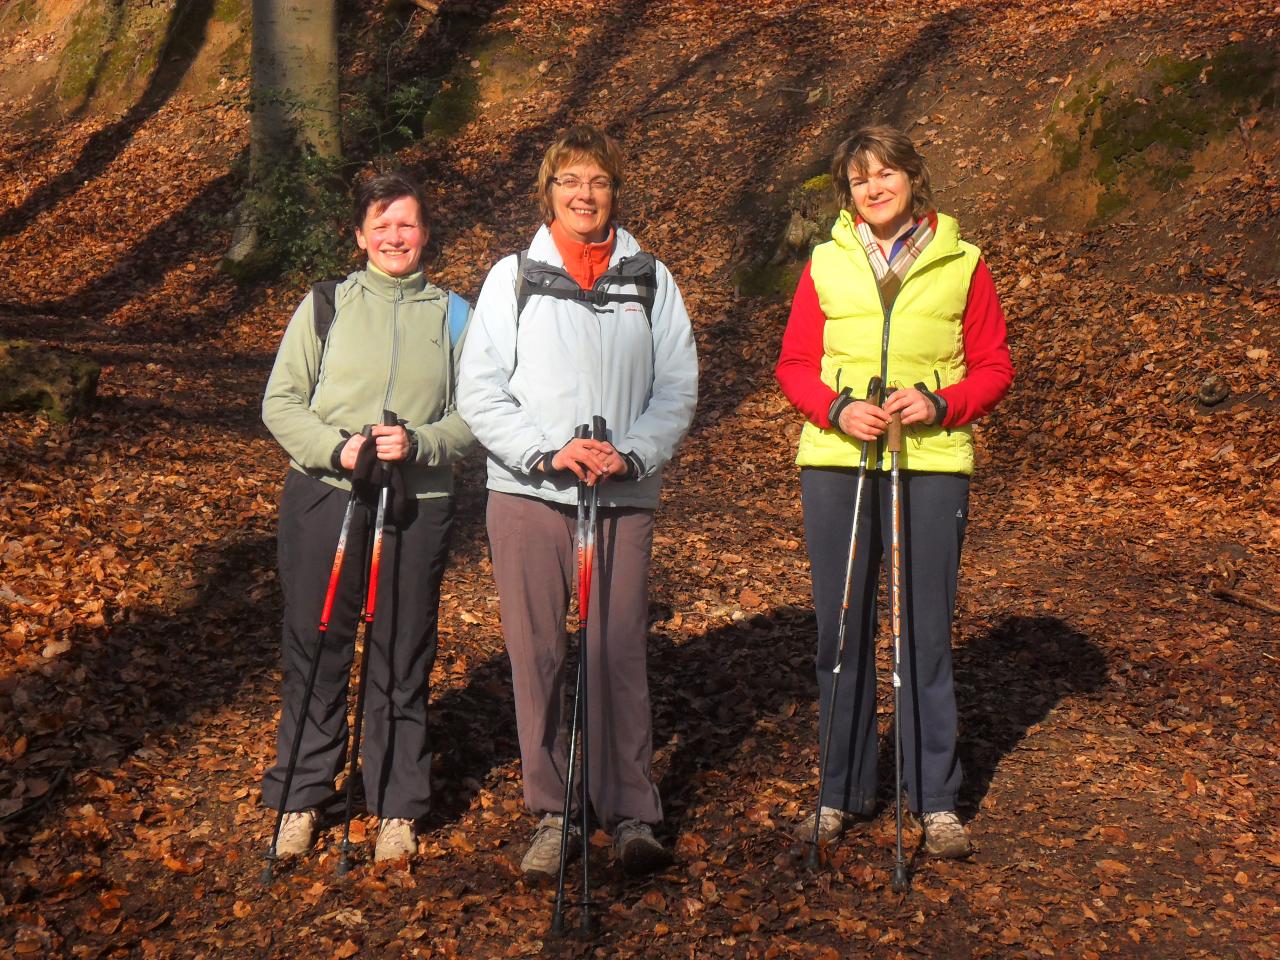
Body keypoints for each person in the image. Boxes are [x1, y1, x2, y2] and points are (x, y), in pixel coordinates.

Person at [457, 126, 697, 878]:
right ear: (548, 192)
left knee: (617, 650)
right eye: (569, 181)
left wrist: (632, 452)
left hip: (621, 494)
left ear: (612, 190)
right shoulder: (513, 276)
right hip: (530, 492)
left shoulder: (649, 277)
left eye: (595, 180)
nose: (583, 194)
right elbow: (480, 386)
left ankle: (629, 810)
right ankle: (554, 811)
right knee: (537, 653)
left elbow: (677, 385)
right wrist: (544, 450)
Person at [775, 126, 1013, 858]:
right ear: (847, 194)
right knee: (843, 631)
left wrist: (939, 403)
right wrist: (838, 408)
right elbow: (794, 365)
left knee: (924, 631)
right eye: (859, 179)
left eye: (887, 174)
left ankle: (934, 798)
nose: (874, 188)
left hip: (931, 465)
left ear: (913, 179)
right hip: (838, 462)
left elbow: (994, 368)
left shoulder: (962, 262)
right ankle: (839, 792)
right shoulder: (824, 263)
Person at [260, 171, 474, 863]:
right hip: (327, 494)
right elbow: (281, 400)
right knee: (318, 644)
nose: (394, 237)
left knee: (402, 650)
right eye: (381, 225)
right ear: (359, 235)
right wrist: (336, 447)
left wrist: (423, 442)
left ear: (425, 233)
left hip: (418, 501)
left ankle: (396, 804)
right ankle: (300, 795)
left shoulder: (456, 315)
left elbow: (480, 415)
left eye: (406, 224)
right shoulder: (324, 304)